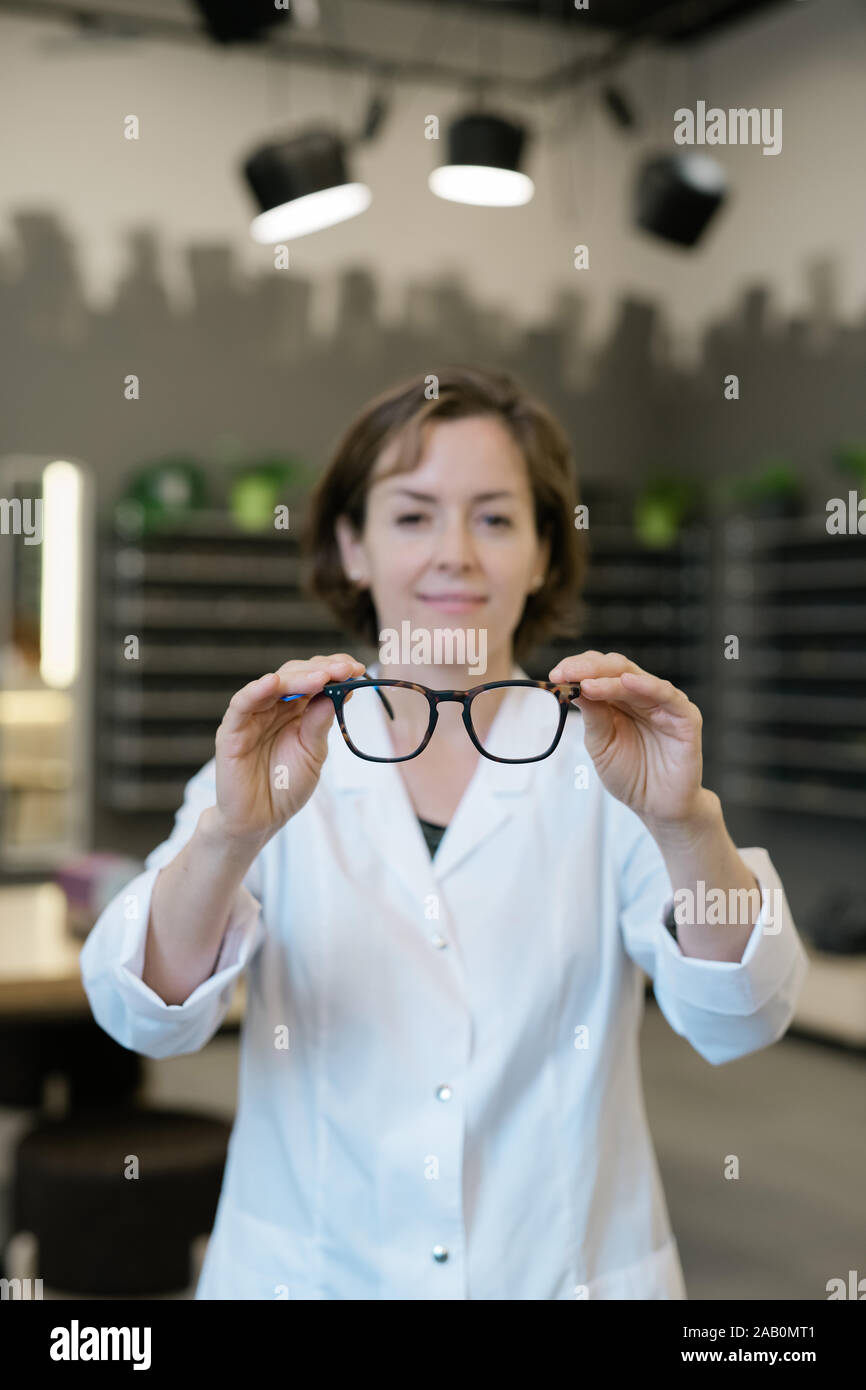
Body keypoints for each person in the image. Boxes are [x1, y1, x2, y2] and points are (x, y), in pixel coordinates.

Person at [81, 364, 808, 1300]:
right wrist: (230, 837)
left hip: (557, 1275)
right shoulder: (272, 768)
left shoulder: (605, 764)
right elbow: (144, 1009)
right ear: (353, 546)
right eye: (414, 514)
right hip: (310, 1276)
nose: (455, 552)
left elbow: (739, 1013)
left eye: (496, 518)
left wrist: (683, 824)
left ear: (545, 552)